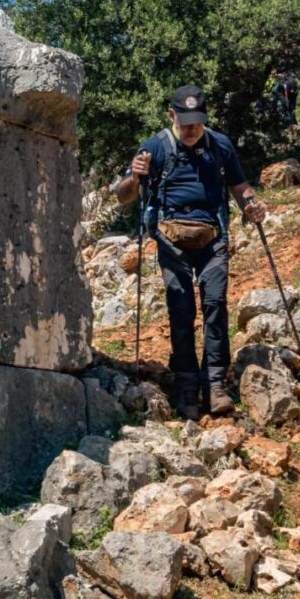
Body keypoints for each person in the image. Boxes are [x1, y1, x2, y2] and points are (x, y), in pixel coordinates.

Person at [114, 85, 266, 418]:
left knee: (215, 307)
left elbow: (239, 187)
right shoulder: (153, 148)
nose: (191, 128)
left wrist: (251, 205)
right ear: (172, 115)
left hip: (213, 240)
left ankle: (214, 385)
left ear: (205, 117)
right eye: (184, 121)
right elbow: (123, 195)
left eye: (196, 121)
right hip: (171, 244)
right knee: (180, 311)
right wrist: (135, 177)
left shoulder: (220, 145)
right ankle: (185, 388)